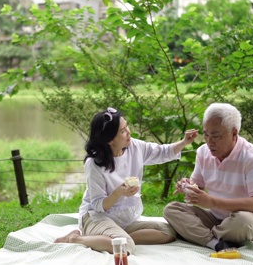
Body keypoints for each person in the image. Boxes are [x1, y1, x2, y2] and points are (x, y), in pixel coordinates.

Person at [54, 107, 198, 254]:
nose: (128, 132)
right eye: (122, 131)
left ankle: (115, 237)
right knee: (124, 246)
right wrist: (118, 192)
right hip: (96, 217)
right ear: (110, 140)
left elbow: (162, 152)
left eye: (126, 126)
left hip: (123, 221)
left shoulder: (134, 146)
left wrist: (184, 142)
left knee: (168, 232)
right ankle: (76, 239)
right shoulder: (94, 164)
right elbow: (97, 205)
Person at [163, 103, 253, 252]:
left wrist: (212, 202)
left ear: (234, 133)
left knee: (242, 221)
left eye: (216, 136)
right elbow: (197, 186)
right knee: (171, 209)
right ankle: (215, 242)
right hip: (218, 220)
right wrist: (188, 187)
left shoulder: (252, 157)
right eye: (206, 134)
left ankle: (200, 235)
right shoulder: (203, 152)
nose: (209, 141)